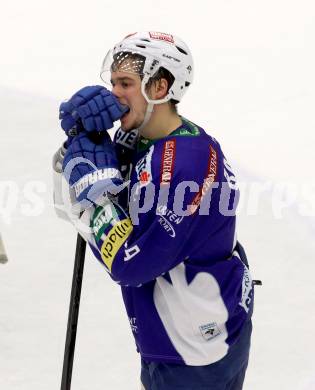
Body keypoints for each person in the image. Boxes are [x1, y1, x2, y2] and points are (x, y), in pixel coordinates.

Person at [53, 31, 254, 390]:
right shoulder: (141, 138)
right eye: (113, 81)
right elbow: (105, 184)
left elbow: (133, 264)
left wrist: (93, 200)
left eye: (126, 83)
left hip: (193, 350)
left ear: (159, 88)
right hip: (186, 331)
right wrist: (80, 146)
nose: (114, 93)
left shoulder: (187, 165)